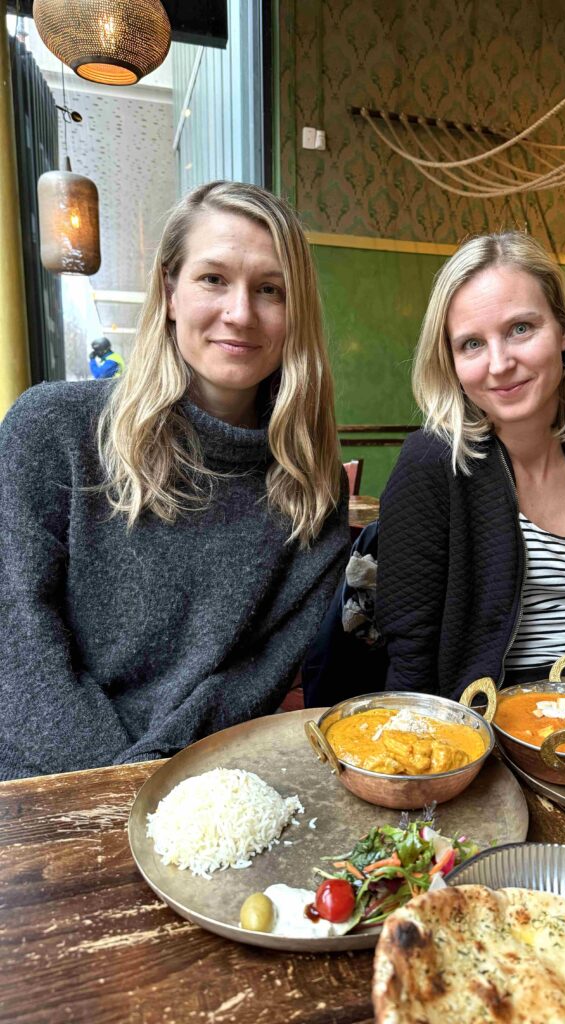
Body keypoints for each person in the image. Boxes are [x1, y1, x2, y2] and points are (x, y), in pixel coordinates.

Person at [0, 181, 349, 780]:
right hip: (41, 786)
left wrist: (157, 789)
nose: (240, 312)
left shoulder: (313, 490)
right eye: (213, 279)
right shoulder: (52, 429)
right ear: (169, 292)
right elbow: (19, 647)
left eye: (270, 289)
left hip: (198, 789)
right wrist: (115, 787)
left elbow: (248, 685)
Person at [377, 231, 565, 699]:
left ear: (564, 332)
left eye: (520, 328)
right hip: (479, 718)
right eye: (471, 344)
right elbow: (412, 658)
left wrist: (564, 703)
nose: (499, 364)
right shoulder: (430, 463)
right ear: (451, 361)